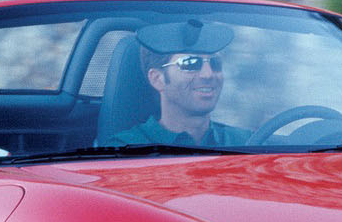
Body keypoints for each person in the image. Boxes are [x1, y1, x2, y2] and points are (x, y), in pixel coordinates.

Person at [107, 20, 249, 147]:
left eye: (215, 63)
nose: (208, 74)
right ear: (157, 79)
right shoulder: (124, 150)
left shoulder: (247, 143)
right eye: (190, 63)